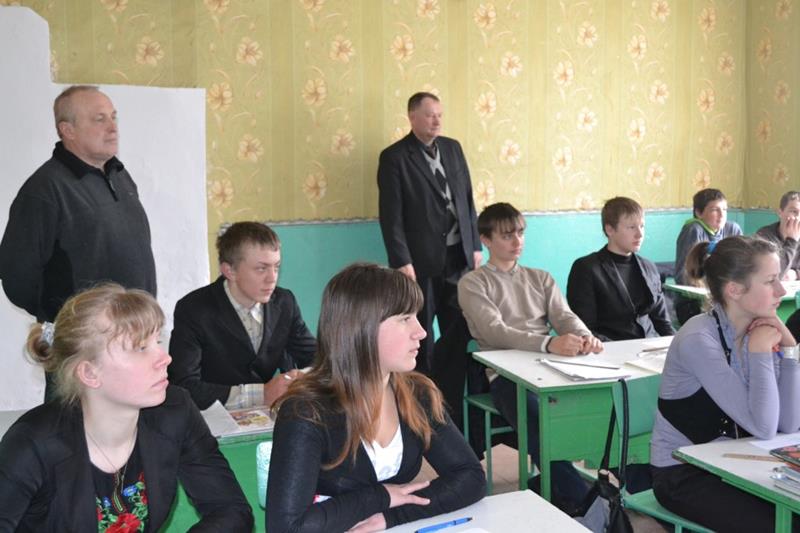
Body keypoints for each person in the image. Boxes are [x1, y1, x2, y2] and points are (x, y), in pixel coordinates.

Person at [0, 284, 253, 531]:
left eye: (157, 341)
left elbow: (230, 510)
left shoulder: (175, 411)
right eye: (141, 348)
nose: (165, 358)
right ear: (89, 373)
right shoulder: (33, 443)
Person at [266, 263, 485, 533]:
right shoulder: (306, 412)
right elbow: (286, 527)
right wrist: (381, 497)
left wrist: (391, 516)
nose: (421, 331)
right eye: (404, 318)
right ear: (362, 328)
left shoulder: (417, 394)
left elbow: (470, 477)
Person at [457, 202, 602, 514]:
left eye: (520, 233)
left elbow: (564, 316)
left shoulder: (540, 278)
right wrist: (548, 343)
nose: (517, 241)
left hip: (551, 366)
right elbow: (495, 332)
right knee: (539, 420)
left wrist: (585, 336)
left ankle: (592, 490)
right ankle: (585, 502)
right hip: (506, 375)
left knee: (603, 402)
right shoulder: (473, 283)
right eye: (507, 235)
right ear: (486, 239)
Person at [651, 236, 800, 532]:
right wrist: (760, 353)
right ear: (734, 290)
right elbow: (764, 427)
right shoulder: (698, 339)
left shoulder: (759, 330)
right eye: (770, 281)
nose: (782, 291)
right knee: (786, 526)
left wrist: (790, 350)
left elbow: (790, 423)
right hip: (684, 474)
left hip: (741, 464)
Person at [0, 85, 156, 324]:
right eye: (99, 119)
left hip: (135, 327)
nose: (113, 128)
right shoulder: (45, 189)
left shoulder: (119, 175)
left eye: (113, 117)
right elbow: (17, 277)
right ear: (68, 130)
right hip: (84, 337)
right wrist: (67, 320)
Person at [377, 92, 482, 374]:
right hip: (420, 261)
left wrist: (475, 245)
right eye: (429, 115)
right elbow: (391, 215)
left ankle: (452, 390)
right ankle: (422, 390)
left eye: (439, 115)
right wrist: (401, 260)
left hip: (458, 256)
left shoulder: (452, 148)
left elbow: (467, 199)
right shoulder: (395, 157)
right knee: (421, 330)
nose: (436, 121)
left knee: (459, 327)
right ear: (412, 117)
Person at [169, 221, 316, 410]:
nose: (272, 278)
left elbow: (317, 358)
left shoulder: (285, 302)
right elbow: (184, 385)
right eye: (261, 268)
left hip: (265, 417)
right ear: (229, 271)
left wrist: (301, 377)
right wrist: (262, 393)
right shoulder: (194, 309)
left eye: (276, 267)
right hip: (212, 417)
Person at [567, 197, 674, 342]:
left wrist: (678, 344)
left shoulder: (649, 266)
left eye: (642, 226)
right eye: (631, 227)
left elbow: (663, 322)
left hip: (649, 346)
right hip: (610, 348)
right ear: (609, 229)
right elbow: (585, 328)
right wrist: (621, 350)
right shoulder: (586, 268)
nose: (640, 234)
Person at [673, 188, 742, 324]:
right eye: (715, 210)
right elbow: (683, 276)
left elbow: (743, 268)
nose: (721, 215)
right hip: (693, 303)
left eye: (725, 209)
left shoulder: (733, 229)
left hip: (726, 299)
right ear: (699, 213)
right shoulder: (693, 230)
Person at [756, 190, 800, 281]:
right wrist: (792, 240)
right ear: (780, 213)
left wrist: (796, 274)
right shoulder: (764, 236)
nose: (798, 218)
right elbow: (771, 275)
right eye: (793, 211)